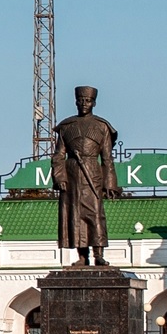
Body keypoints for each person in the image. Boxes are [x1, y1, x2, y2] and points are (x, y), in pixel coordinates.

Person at [51, 85, 121, 266]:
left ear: (94, 103)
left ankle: (98, 254)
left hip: (92, 172)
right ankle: (82, 257)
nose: (84, 103)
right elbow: (59, 155)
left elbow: (107, 158)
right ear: (76, 102)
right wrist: (60, 177)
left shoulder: (102, 126)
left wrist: (110, 183)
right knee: (75, 215)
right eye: (81, 100)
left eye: (88, 100)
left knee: (95, 214)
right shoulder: (67, 127)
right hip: (72, 173)